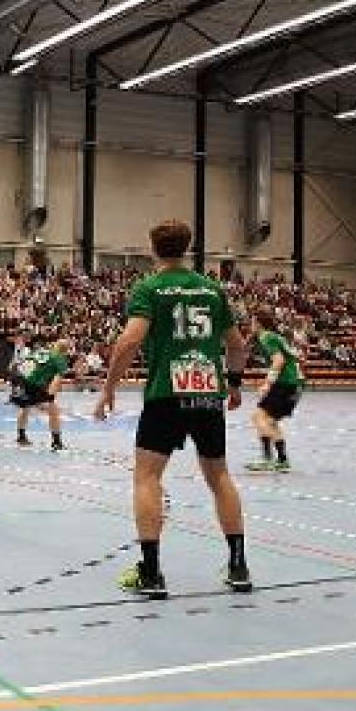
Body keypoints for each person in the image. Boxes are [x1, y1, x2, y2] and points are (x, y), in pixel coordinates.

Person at [94, 220, 252, 599]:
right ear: (187, 248)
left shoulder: (149, 288)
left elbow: (131, 338)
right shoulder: (212, 289)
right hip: (206, 393)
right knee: (219, 475)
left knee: (147, 477)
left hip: (167, 392)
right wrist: (232, 383)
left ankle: (151, 572)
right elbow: (237, 344)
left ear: (153, 249)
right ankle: (239, 565)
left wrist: (109, 387)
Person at [248, 312, 303, 472]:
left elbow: (279, 360)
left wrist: (267, 384)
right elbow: (293, 357)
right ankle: (282, 460)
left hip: (284, 382)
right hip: (294, 383)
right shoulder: (276, 336)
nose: (250, 326)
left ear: (258, 323)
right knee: (270, 421)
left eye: (252, 322)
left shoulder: (266, 337)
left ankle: (267, 459)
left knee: (258, 416)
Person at [11, 338, 70, 450]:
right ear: (65, 351)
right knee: (54, 411)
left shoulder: (42, 351)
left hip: (19, 378)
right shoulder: (60, 359)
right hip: (32, 383)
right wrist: (50, 399)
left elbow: (23, 363)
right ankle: (56, 442)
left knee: (25, 407)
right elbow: (56, 381)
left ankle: (21, 437)